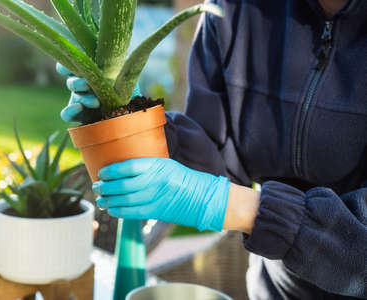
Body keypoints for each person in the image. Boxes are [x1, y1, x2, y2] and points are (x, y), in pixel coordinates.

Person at [56, 0, 367, 298]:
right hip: (273, 288)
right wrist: (134, 125)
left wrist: (237, 207)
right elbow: (216, 154)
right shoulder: (236, 8)